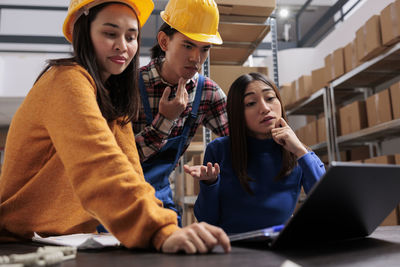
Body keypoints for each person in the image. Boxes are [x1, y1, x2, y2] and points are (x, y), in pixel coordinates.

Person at [0, 0, 230, 254]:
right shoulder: (66, 81)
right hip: (20, 242)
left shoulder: (115, 95)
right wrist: (158, 229)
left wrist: (167, 225)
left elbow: (129, 169)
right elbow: (99, 164)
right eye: (110, 33)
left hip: (70, 241)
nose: (122, 45)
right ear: (84, 32)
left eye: (131, 36)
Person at [184, 73, 326, 234]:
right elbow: (206, 219)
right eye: (251, 103)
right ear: (238, 113)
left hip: (278, 248)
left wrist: (300, 151)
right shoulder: (219, 150)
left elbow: (328, 204)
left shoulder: (298, 152)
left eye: (270, 98)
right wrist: (210, 184)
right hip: (232, 250)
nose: (265, 108)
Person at [133, 0, 229, 223]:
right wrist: (166, 120)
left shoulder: (207, 93)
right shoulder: (129, 86)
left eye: (204, 48)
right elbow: (117, 159)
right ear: (164, 41)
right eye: (188, 45)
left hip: (160, 197)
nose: (196, 58)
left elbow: (240, 143)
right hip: (116, 197)